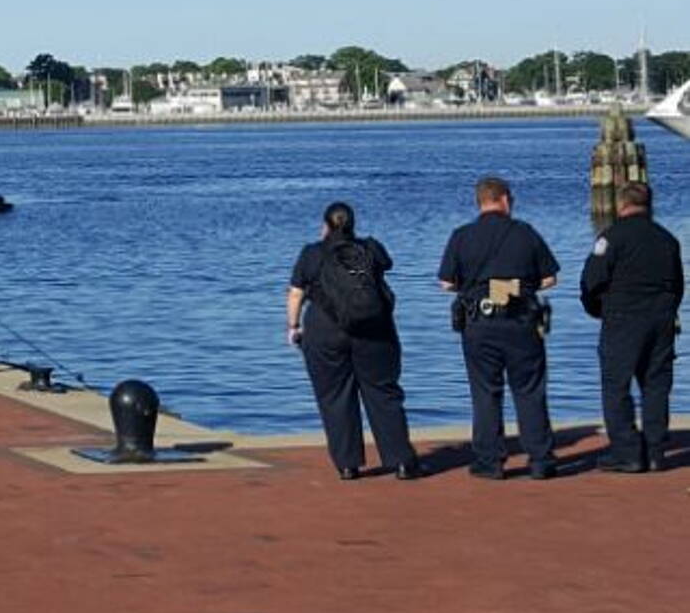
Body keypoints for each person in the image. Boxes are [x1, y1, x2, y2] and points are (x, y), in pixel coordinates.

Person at [286, 201, 422, 481]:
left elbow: (296, 293)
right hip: (375, 329)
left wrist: (293, 326)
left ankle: (348, 465)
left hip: (325, 331)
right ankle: (401, 462)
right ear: (352, 224)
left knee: (335, 397)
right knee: (383, 393)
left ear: (325, 226)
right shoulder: (371, 248)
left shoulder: (312, 254)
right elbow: (385, 265)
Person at [439, 175, 561, 480]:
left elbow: (446, 283)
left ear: (480, 201)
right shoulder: (525, 233)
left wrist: (481, 289)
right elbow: (550, 279)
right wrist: (513, 288)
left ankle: (490, 461)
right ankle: (541, 460)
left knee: (485, 393)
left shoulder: (461, 236)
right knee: (530, 391)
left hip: (479, 323)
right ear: (505, 199)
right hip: (521, 320)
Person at [581, 183, 682, 473]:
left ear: (621, 204)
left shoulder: (611, 238)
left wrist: (597, 310)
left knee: (616, 386)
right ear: (650, 204)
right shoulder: (668, 239)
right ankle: (655, 451)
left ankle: (627, 452)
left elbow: (591, 280)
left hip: (623, 319)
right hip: (661, 320)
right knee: (656, 385)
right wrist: (667, 312)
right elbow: (677, 285)